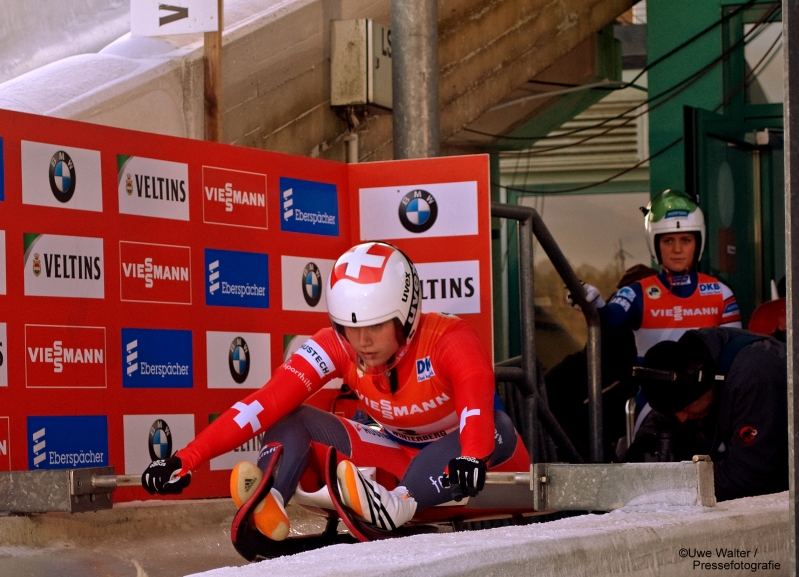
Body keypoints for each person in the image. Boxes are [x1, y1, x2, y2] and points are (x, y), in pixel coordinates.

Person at [141, 241, 529, 539]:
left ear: (407, 315)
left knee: (496, 425)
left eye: (376, 326)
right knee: (290, 413)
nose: (362, 341)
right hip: (402, 457)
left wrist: (474, 454)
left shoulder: (451, 337)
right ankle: (271, 500)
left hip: (482, 465)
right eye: (349, 327)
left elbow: (477, 407)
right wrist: (185, 459)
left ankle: (398, 505)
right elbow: (265, 402)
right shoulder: (334, 343)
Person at [575, 189, 742, 363]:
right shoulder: (636, 292)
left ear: (698, 242)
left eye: (686, 240)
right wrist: (595, 302)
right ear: (654, 243)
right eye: (668, 241)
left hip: (708, 390)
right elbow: (611, 318)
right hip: (651, 390)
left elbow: (734, 358)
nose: (677, 249)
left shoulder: (722, 294)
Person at [626, 327, 787, 501]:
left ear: (708, 381)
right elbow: (664, 417)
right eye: (674, 411)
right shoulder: (684, 364)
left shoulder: (755, 379)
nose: (681, 418)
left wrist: (674, 489)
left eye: (686, 408)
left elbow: (749, 474)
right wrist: (635, 463)